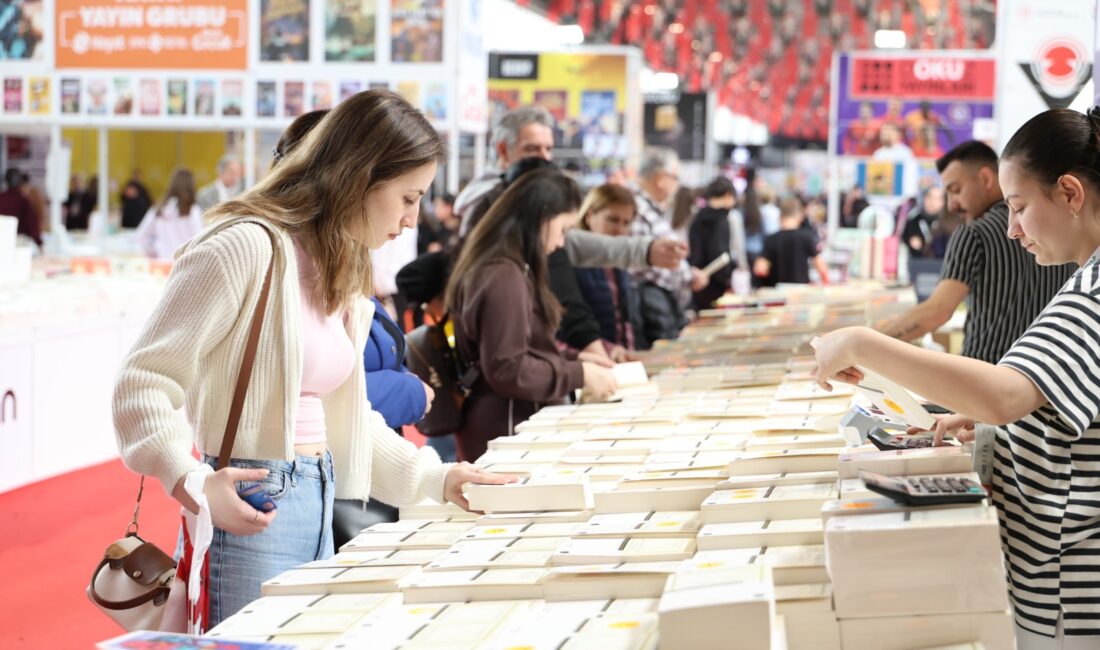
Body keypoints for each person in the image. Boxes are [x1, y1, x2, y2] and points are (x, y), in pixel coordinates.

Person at [111, 90, 512, 629]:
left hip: (322, 498)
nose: (414, 219)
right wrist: (194, 483)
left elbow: (340, 419)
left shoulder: (336, 265)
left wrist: (436, 479)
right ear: (361, 179)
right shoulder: (244, 247)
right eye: (408, 198)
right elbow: (141, 384)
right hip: (254, 504)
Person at [813, 107, 1100, 649]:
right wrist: (1000, 425)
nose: (1012, 229)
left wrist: (862, 342)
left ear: (1069, 193)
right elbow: (1054, 402)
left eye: (1018, 208)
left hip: (1069, 585)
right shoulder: (1082, 277)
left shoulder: (1093, 290)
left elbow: (1004, 393)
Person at [445, 168, 619, 462]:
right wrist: (580, 373)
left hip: (509, 423)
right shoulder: (503, 274)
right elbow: (508, 368)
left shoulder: (507, 267)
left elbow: (518, 353)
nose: (562, 242)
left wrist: (573, 361)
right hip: (508, 430)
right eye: (563, 229)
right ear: (543, 217)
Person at [876, 141, 1076, 363]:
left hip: (985, 377)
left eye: (956, 190)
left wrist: (865, 343)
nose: (951, 204)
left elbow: (937, 311)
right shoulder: (1062, 233)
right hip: (1048, 380)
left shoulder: (974, 234)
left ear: (985, 178)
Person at [630, 146, 708, 342]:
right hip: (649, 306)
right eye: (675, 178)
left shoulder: (649, 207)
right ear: (660, 178)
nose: (677, 185)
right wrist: (687, 276)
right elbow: (641, 264)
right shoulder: (636, 207)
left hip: (657, 304)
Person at [574, 183, 642, 358]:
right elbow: (569, 327)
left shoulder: (618, 263)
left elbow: (624, 322)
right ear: (589, 216)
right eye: (612, 220)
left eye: (626, 223)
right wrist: (608, 349)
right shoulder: (572, 261)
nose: (620, 229)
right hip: (589, 366)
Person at [753, 197, 829, 286]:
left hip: (778, 293)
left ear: (780, 216)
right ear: (799, 216)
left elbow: (759, 269)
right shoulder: (806, 237)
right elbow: (822, 268)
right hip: (801, 292)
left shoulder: (771, 239)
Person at [135, 169, 204, 260]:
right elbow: (201, 240)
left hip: (161, 266)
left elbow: (141, 237)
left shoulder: (158, 209)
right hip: (184, 265)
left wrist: (154, 254)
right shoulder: (193, 211)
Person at [689, 176, 736, 309]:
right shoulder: (721, 220)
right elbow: (720, 252)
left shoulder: (697, 218)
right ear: (728, 195)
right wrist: (727, 281)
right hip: (716, 288)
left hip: (697, 282)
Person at [0, 168, 40, 247]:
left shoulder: (1, 198)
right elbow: (32, 224)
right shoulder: (23, 201)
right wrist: (38, 242)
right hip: (18, 243)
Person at [901, 186, 945, 257]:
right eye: (930, 197)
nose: (932, 202)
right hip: (918, 264)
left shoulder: (949, 223)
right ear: (924, 199)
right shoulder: (913, 220)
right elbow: (906, 241)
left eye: (937, 199)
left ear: (943, 202)